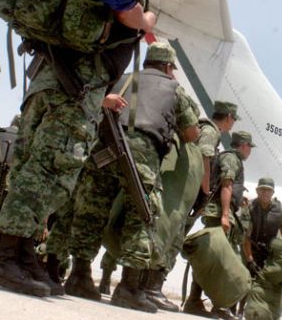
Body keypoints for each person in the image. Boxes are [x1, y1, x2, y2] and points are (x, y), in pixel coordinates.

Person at [0, 0, 158, 299]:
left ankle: (22, 252)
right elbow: (128, 15)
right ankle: (1, 255)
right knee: (49, 171)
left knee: (34, 167)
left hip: (47, 83)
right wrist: (147, 19)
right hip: (74, 91)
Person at [62, 42, 199, 313]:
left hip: (106, 144)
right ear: (169, 67)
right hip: (141, 152)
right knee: (143, 215)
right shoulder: (174, 89)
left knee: (92, 209)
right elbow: (192, 134)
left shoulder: (122, 79)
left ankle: (78, 275)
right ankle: (129, 287)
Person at [144, 100, 239, 312]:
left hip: (185, 188)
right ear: (229, 118)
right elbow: (204, 157)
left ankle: (149, 286)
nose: (232, 125)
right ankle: (152, 288)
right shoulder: (212, 132)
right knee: (174, 238)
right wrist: (204, 191)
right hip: (188, 190)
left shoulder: (203, 127)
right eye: (233, 120)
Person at [183, 130, 256, 317]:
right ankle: (216, 305)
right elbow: (226, 184)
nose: (250, 152)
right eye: (249, 147)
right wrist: (225, 214)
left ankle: (195, 300)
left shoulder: (229, 157)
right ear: (244, 145)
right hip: (220, 214)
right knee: (219, 260)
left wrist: (238, 201)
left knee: (212, 259)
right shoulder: (232, 159)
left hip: (220, 212)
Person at [240, 177, 282, 320]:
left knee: (281, 280)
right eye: (262, 189)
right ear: (257, 191)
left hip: (269, 253)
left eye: (268, 190)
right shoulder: (250, 208)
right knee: (244, 280)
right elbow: (245, 236)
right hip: (250, 249)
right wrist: (250, 260)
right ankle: (237, 310)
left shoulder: (279, 208)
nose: (265, 193)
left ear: (272, 192)